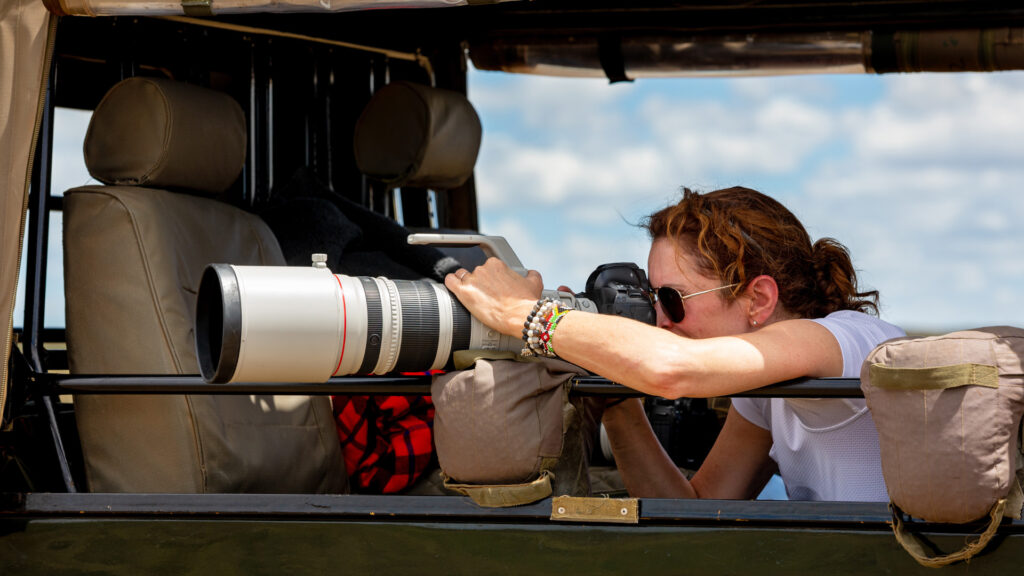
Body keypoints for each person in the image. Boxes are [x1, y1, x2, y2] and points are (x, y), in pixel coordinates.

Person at [444, 186, 905, 502]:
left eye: (673, 299)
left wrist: (523, 315)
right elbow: (696, 507)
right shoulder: (772, 382)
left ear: (758, 299)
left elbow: (670, 367)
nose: (660, 319)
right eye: (653, 297)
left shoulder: (848, 341)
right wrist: (619, 400)